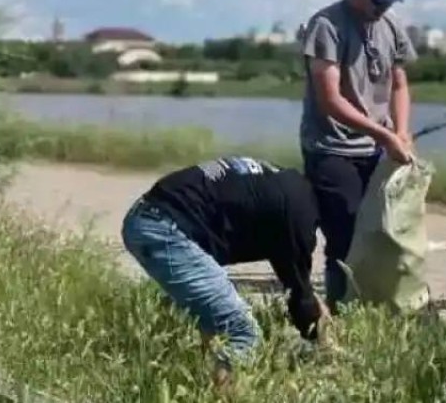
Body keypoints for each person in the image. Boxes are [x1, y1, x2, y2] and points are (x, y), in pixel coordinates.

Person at [120, 156, 327, 389]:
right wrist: (328, 352)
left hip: (149, 216)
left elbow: (295, 283)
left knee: (216, 320)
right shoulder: (301, 214)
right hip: (163, 228)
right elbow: (303, 299)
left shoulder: (284, 185)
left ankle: (205, 390)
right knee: (243, 333)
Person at [299, 0, 419, 310]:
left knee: (384, 230)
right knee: (344, 235)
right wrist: (384, 135)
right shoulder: (327, 26)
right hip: (332, 149)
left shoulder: (391, 24)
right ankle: (339, 311)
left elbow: (399, 84)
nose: (381, 7)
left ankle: (375, 306)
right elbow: (329, 99)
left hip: (377, 150)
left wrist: (401, 130)